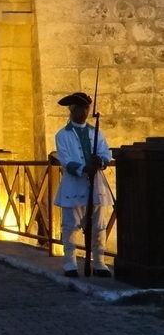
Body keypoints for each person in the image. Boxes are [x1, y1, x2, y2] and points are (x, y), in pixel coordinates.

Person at [53, 91, 113, 279]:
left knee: (99, 226)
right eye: (79, 108)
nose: (83, 112)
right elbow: (65, 159)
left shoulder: (95, 133)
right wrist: (83, 168)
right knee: (70, 226)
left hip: (96, 184)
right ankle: (70, 262)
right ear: (72, 110)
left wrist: (100, 161)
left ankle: (99, 262)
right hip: (74, 184)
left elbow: (106, 153)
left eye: (86, 108)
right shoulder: (62, 135)